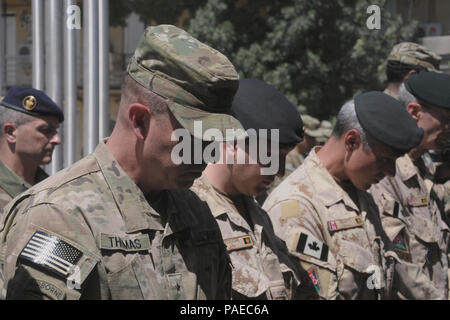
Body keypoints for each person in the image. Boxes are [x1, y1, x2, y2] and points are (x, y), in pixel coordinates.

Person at [0, 24, 245, 300]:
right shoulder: (59, 216)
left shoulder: (194, 211)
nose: (210, 155)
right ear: (139, 120)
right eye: (195, 138)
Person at [264, 92, 425, 299]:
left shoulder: (360, 196)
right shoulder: (295, 207)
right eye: (385, 160)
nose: (391, 172)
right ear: (351, 141)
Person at [191, 79, 303, 299]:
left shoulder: (257, 213)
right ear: (234, 143)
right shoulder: (193, 213)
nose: (279, 171)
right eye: (270, 158)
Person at [369, 71, 450, 299]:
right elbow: (399, 262)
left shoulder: (423, 166)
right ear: (414, 112)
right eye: (446, 120)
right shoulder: (387, 172)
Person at [0, 87, 63, 209]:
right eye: (45, 130)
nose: (57, 140)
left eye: (55, 131)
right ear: (11, 132)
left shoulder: (54, 190)